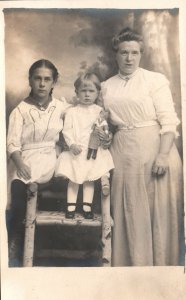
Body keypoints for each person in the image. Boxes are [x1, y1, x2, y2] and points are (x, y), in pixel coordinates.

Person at [101, 27, 184, 266]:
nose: (129, 58)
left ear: (141, 54)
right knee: (127, 210)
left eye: (135, 53)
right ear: (115, 54)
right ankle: (129, 272)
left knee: (155, 211)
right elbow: (106, 123)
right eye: (124, 52)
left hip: (154, 149)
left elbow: (168, 121)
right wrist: (105, 136)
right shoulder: (107, 86)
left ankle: (159, 274)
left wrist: (163, 155)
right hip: (121, 152)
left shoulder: (154, 80)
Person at [7, 59, 70, 267]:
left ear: (54, 82)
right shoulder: (20, 110)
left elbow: (80, 121)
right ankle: (15, 242)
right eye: (37, 79)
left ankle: (51, 248)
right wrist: (20, 163)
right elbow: (13, 144)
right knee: (18, 185)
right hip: (26, 158)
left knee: (64, 175)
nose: (42, 84)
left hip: (52, 155)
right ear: (30, 81)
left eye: (47, 79)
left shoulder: (61, 107)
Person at [55, 73, 114, 219]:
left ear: (97, 93)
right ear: (77, 93)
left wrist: (105, 135)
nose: (87, 94)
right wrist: (72, 144)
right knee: (74, 178)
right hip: (77, 150)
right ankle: (71, 207)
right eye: (83, 91)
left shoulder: (99, 112)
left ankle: (87, 207)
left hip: (93, 151)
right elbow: (67, 130)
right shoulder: (72, 112)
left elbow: (103, 128)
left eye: (91, 91)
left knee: (89, 178)